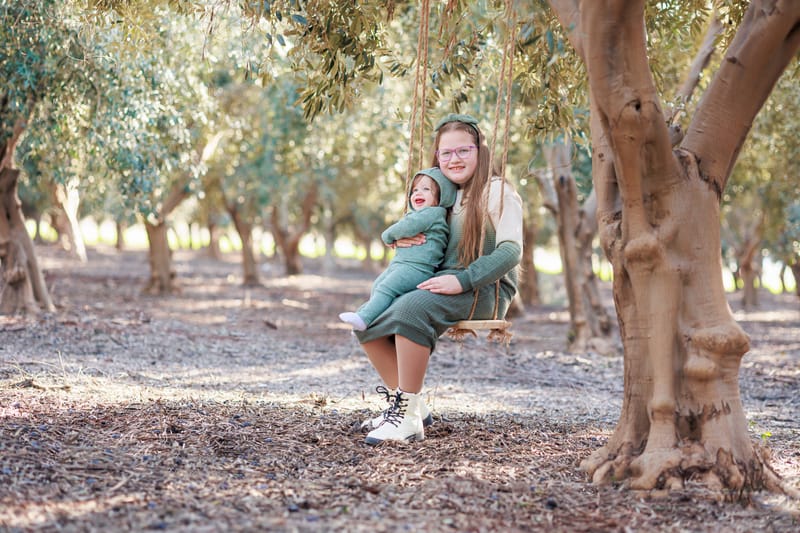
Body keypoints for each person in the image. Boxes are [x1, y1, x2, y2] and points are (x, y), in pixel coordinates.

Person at [354, 113, 524, 445]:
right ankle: (408, 405)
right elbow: (425, 237)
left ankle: (406, 419)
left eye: (463, 150)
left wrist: (463, 281)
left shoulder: (497, 191)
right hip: (442, 280)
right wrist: (401, 240)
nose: (454, 159)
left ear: (479, 151)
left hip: (482, 290)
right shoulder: (444, 196)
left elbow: (510, 252)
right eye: (446, 153)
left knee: (409, 311)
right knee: (369, 324)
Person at [339, 167, 457, 331]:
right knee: (378, 285)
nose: (418, 193)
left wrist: (387, 236)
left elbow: (406, 227)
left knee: (387, 288)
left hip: (417, 268)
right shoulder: (420, 214)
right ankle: (368, 320)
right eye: (414, 190)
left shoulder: (433, 213)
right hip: (401, 265)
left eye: (426, 189)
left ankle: (364, 319)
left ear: (440, 197)